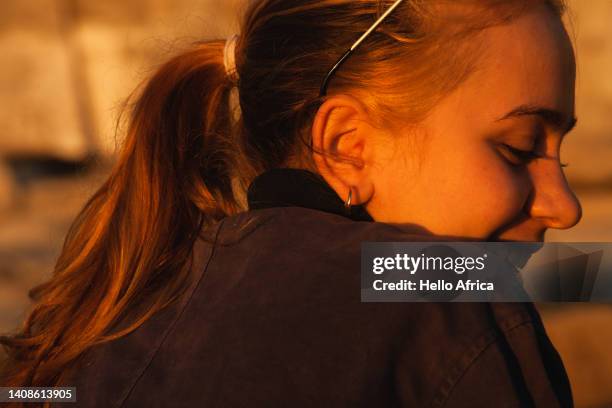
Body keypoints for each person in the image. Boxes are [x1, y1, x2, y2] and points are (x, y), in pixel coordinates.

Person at [1, 0, 581, 406]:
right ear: (347, 145)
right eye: (518, 148)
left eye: (562, 155)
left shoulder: (119, 316)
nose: (566, 207)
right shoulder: (434, 292)